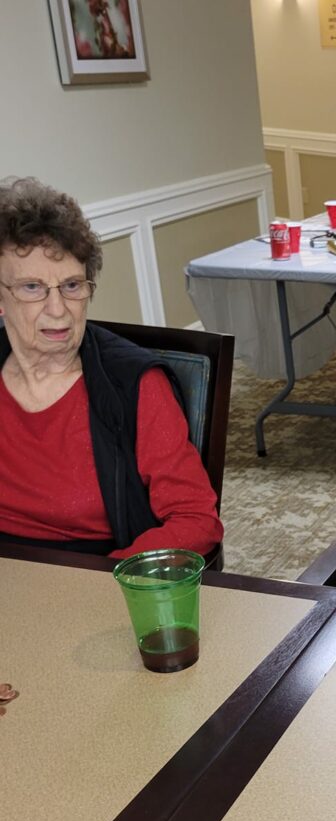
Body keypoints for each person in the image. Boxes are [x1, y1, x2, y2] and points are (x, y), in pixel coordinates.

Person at [0, 176, 223, 559]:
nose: (58, 310)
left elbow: (196, 519)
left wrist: (112, 580)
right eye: (32, 288)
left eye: (72, 285)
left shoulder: (134, 385)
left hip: (91, 574)